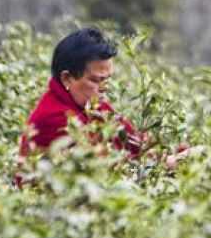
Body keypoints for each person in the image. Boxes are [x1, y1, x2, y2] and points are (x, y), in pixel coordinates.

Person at [18, 27, 146, 163]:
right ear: (67, 78)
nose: (106, 88)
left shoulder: (94, 106)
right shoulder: (55, 118)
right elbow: (102, 167)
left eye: (108, 80)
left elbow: (138, 144)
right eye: (96, 80)